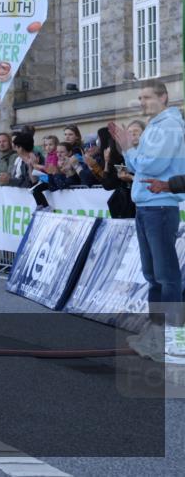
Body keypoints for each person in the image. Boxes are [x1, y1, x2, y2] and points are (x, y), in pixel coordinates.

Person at [108, 80, 185, 363]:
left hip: (160, 207)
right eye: (139, 98)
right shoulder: (157, 125)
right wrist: (132, 152)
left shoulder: (169, 126)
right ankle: (157, 335)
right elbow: (139, 165)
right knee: (153, 276)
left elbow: (150, 166)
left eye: (147, 97)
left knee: (166, 277)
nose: (142, 102)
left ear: (163, 97)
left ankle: (174, 340)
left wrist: (129, 149)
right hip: (148, 207)